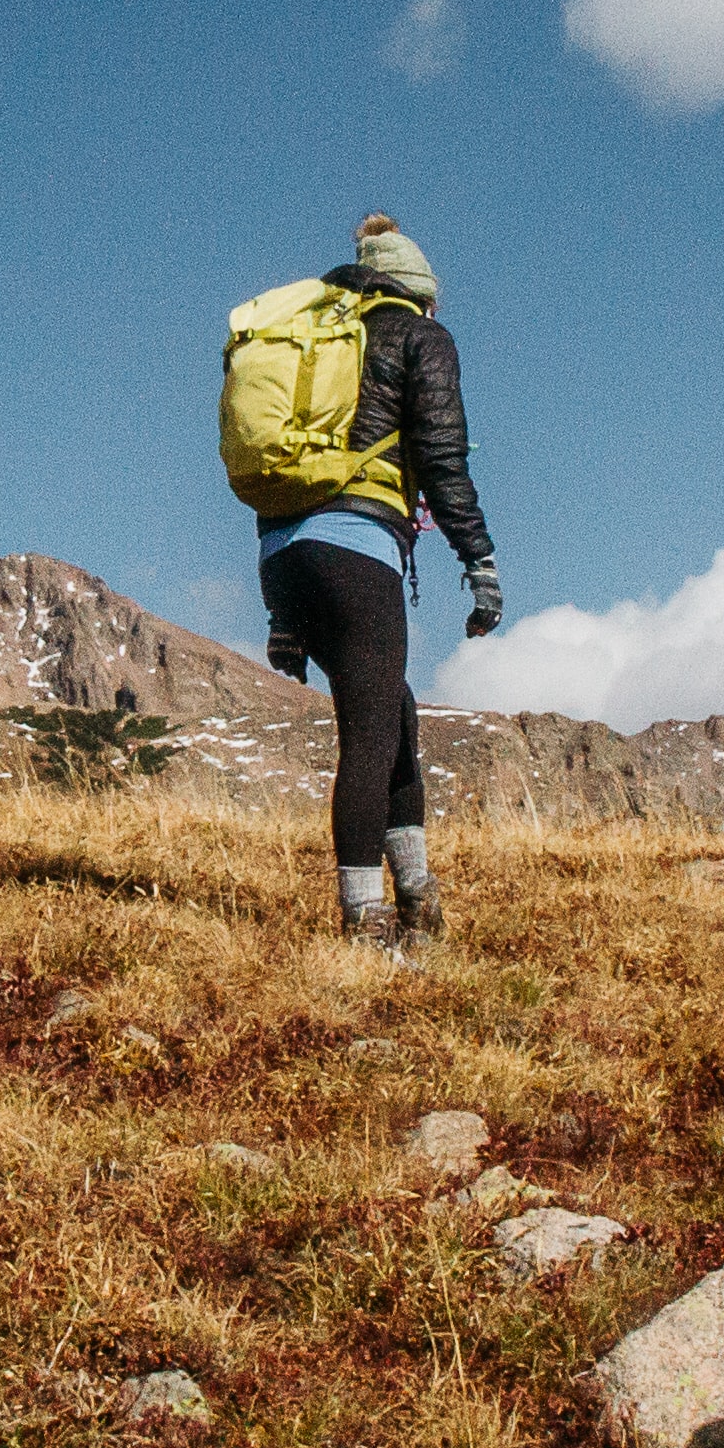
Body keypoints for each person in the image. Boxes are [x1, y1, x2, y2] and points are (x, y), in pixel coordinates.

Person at [254, 213, 500, 951]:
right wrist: (478, 560)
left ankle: (419, 897)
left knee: (394, 718)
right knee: (369, 736)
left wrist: (286, 612)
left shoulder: (315, 340)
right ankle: (365, 925)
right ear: (419, 293)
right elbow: (445, 459)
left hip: (282, 552)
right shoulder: (420, 338)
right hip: (355, 550)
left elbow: (280, 461)